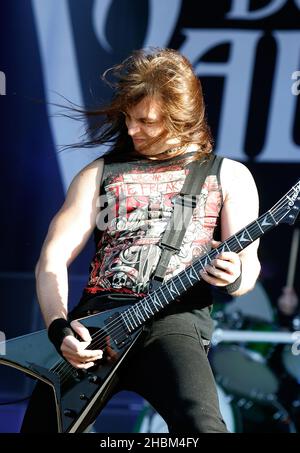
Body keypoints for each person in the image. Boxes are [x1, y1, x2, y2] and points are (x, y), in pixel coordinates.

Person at [21, 48, 261, 433]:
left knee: (204, 427)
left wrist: (234, 273)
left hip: (174, 319)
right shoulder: (99, 173)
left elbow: (248, 268)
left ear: (181, 118)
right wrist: (59, 328)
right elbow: (51, 259)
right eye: (128, 119)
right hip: (95, 324)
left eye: (145, 122)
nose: (132, 130)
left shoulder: (228, 175)